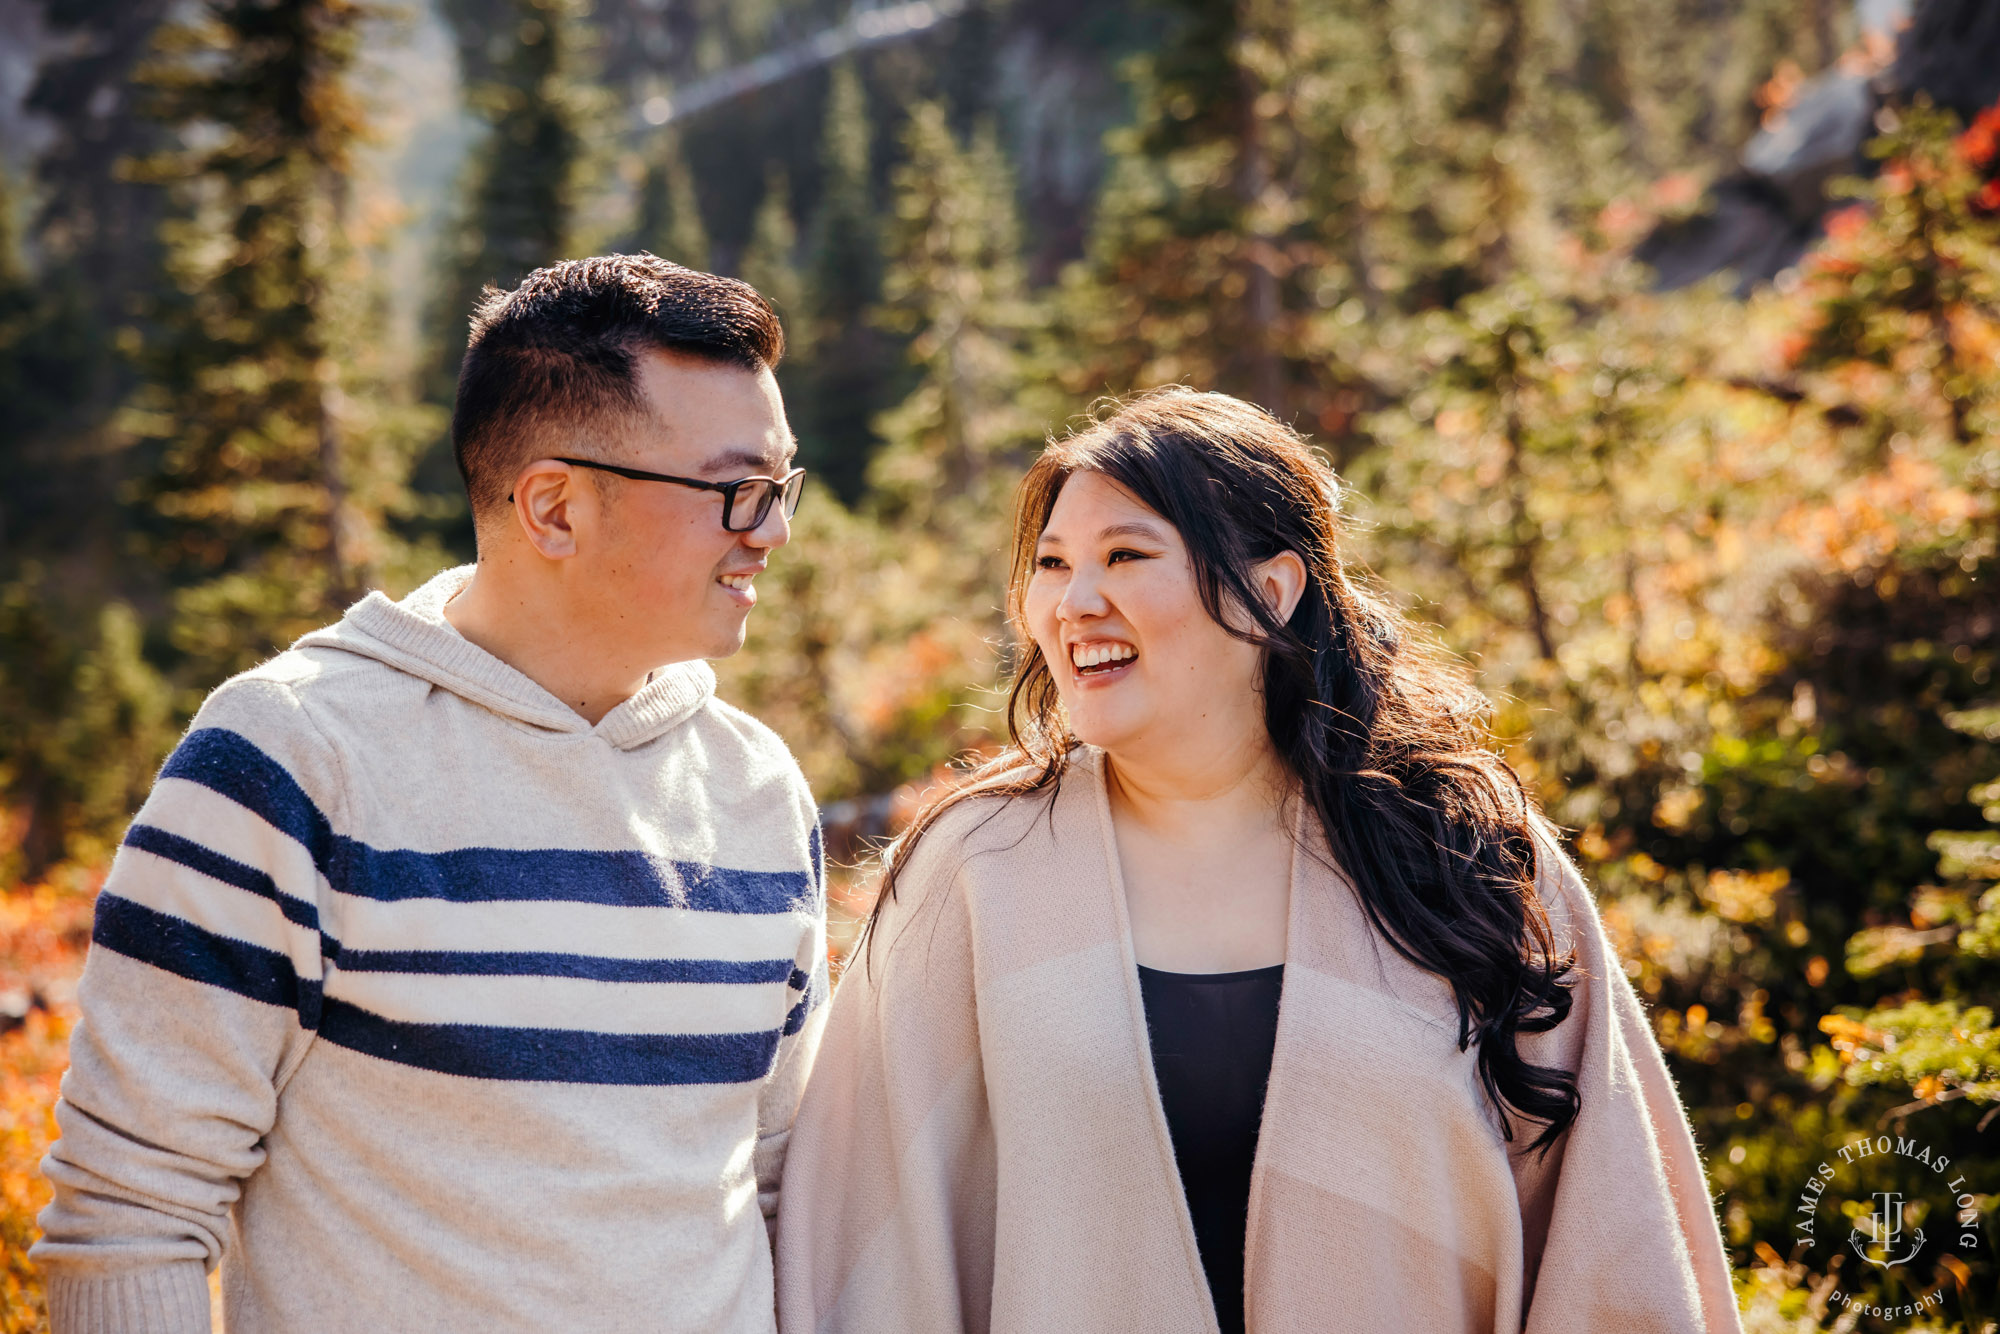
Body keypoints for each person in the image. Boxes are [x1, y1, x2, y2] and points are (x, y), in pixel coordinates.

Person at [775, 387, 1742, 1334]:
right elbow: (859, 1226)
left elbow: (1614, 1229)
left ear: (1270, 593)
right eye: (1053, 563)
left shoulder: (1465, 853)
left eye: (1126, 555)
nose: (1074, 603)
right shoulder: (975, 870)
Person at [34, 255, 828, 1334]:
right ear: (552, 505)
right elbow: (129, 1218)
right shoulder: (287, 757)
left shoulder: (756, 789)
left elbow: (783, 1192)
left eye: (782, 485)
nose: (772, 529)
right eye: (736, 489)